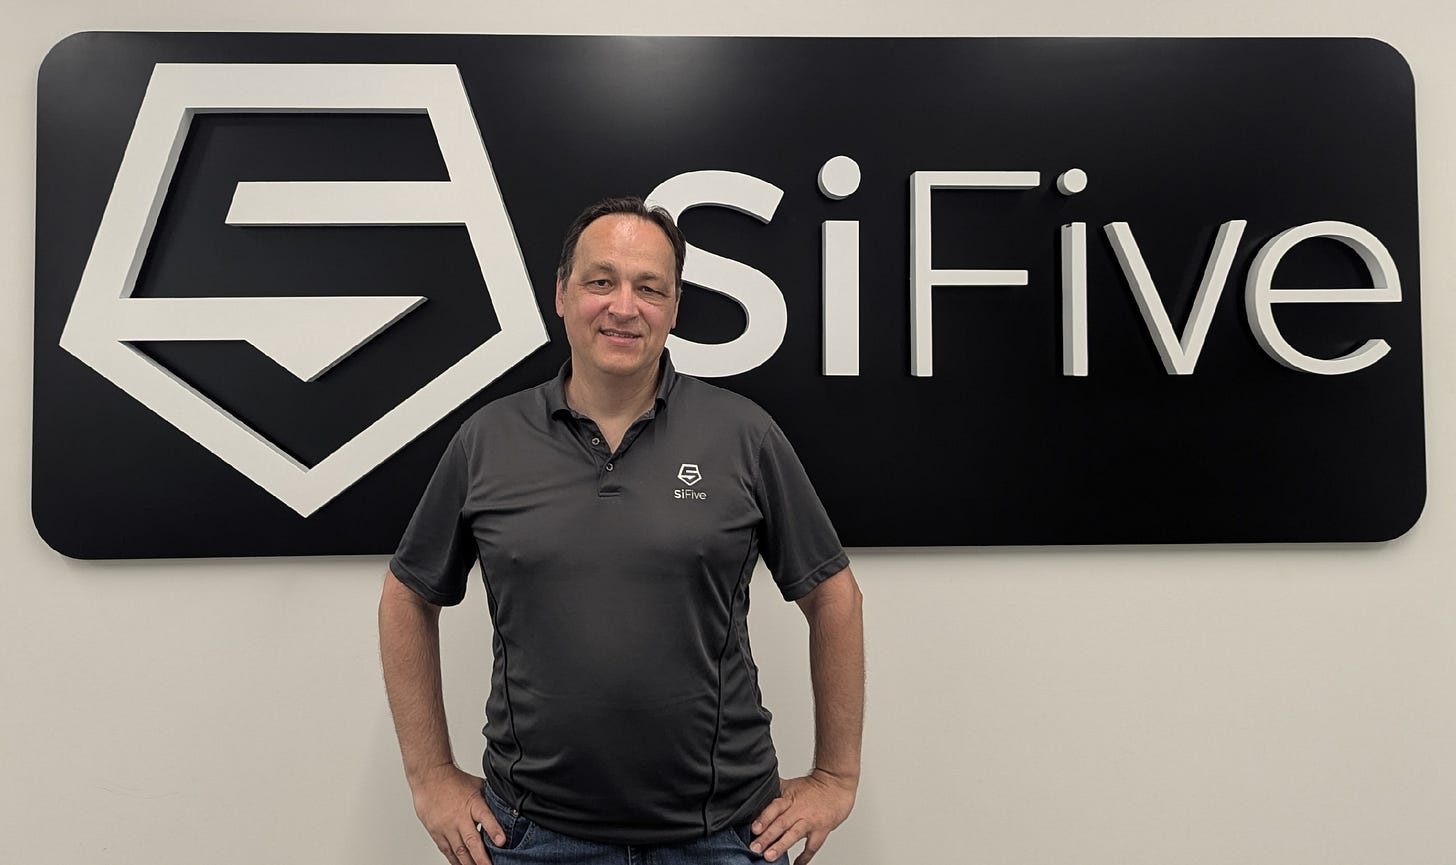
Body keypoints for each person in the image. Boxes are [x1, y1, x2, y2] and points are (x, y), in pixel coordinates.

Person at [379, 197, 864, 865]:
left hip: (724, 834)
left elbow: (833, 594)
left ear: (675, 307)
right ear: (562, 294)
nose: (624, 307)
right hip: (532, 836)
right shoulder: (487, 440)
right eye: (601, 281)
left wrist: (835, 778)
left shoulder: (743, 435)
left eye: (650, 288)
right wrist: (429, 774)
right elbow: (407, 595)